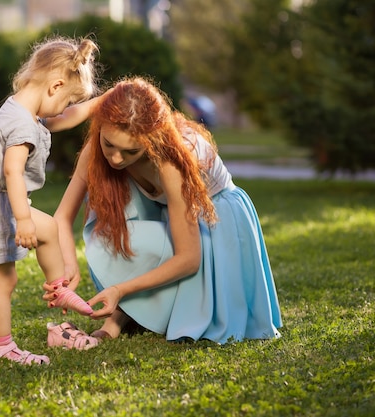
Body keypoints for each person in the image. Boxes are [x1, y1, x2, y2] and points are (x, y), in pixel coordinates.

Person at [43, 77, 282, 348]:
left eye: (130, 150)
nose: (116, 158)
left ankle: (124, 313)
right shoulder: (97, 149)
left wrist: (121, 289)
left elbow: (189, 259)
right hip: (168, 212)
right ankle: (120, 318)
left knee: (192, 298)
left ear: (152, 140)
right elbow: (61, 218)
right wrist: (68, 265)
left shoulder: (171, 164)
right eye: (109, 144)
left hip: (217, 219)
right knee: (113, 228)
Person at [0, 36, 99, 365]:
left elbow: (60, 119)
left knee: (48, 228)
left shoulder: (21, 108)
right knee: (3, 282)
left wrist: (97, 104)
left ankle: (58, 286)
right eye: (64, 101)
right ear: (55, 85)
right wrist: (22, 219)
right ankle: (2, 349)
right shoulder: (20, 123)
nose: (63, 110)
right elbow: (12, 172)